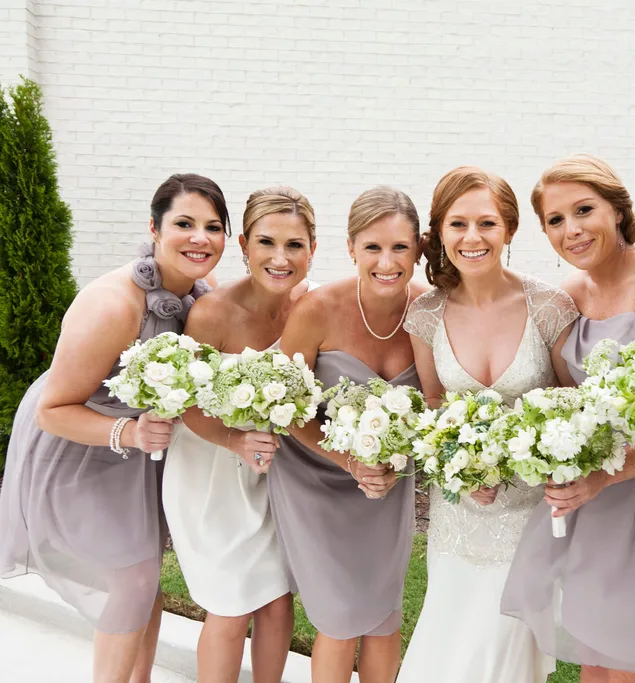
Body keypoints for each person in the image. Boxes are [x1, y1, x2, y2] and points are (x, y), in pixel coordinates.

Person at [501, 154, 635, 681]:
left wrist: (603, 476)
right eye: (555, 220)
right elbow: (563, 397)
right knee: (593, 661)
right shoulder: (571, 296)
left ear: (618, 212)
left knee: (631, 661)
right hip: (597, 498)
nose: (571, 229)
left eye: (584, 210)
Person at [0, 173, 227, 683]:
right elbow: (52, 410)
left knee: (144, 584)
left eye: (213, 227)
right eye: (184, 223)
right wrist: (129, 434)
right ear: (154, 227)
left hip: (139, 456)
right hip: (79, 446)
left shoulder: (199, 298)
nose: (200, 238)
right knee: (134, 579)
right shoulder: (112, 304)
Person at [397, 166, 577, 683]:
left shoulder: (549, 306)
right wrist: (463, 472)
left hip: (531, 514)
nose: (472, 238)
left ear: (510, 230)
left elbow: (572, 405)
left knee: (503, 650)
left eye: (487, 224)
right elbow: (434, 406)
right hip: (460, 519)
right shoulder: (426, 315)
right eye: (457, 224)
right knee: (450, 640)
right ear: (440, 231)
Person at [271, 186, 425, 683]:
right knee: (338, 618)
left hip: (387, 482)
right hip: (316, 477)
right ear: (351, 247)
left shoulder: (429, 311)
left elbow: (441, 401)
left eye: (400, 248)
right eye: (373, 247)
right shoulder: (317, 310)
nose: (386, 261)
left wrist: (393, 462)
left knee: (383, 616)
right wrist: (350, 462)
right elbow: (288, 409)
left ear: (418, 249)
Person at [163, 186, 317, 683]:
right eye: (267, 243)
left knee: (275, 601)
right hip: (211, 474)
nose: (280, 258)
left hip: (274, 475)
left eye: (295, 245)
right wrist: (235, 441)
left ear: (312, 248)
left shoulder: (307, 305)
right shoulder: (212, 314)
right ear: (246, 244)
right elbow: (185, 404)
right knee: (230, 607)